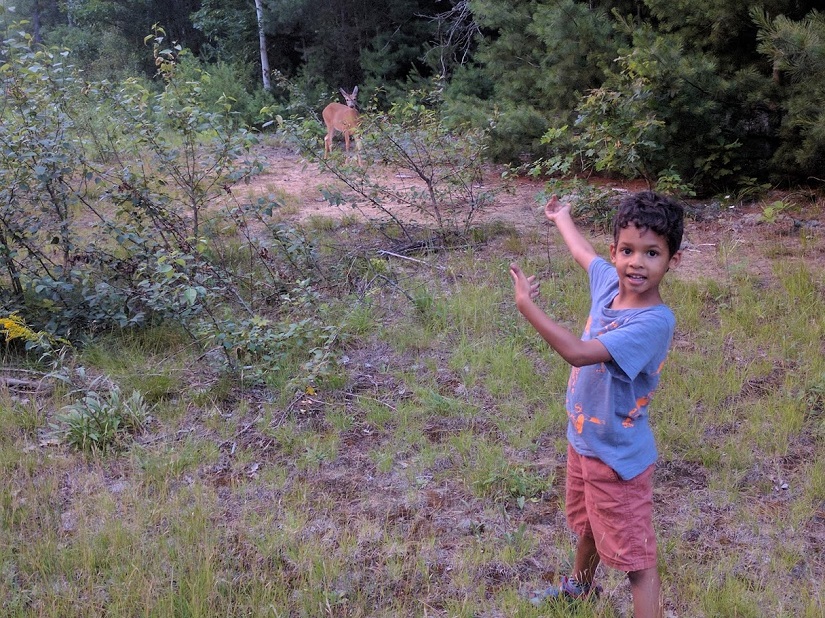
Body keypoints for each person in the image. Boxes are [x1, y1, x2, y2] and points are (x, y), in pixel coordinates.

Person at [510, 191, 684, 618]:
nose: (636, 263)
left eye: (652, 253)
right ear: (615, 251)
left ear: (671, 261)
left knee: (637, 564)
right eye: (627, 250)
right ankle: (579, 591)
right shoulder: (608, 283)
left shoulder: (653, 321)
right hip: (585, 441)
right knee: (587, 525)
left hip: (618, 459)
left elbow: (579, 352)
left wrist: (526, 305)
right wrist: (561, 217)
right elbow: (581, 251)